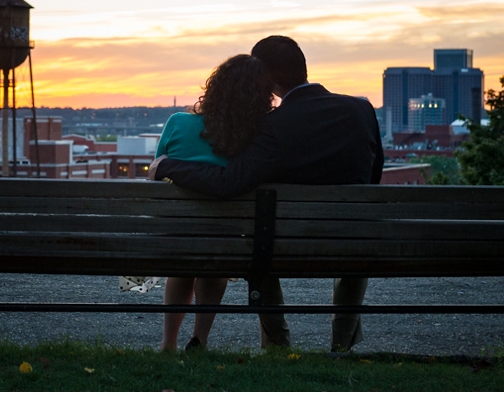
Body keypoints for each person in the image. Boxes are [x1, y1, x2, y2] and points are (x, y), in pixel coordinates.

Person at [151, 35, 384, 352]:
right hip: (352, 239)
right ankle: (341, 346)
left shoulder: (273, 125)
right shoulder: (361, 109)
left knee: (258, 245)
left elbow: (229, 183)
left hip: (283, 245)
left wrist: (168, 166)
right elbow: (374, 173)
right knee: (351, 245)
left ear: (268, 77)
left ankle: (278, 343)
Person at [153, 53, 275, 351]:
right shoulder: (257, 135)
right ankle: (201, 337)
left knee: (181, 266)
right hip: (227, 235)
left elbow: (156, 172)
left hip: (177, 234)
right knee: (215, 265)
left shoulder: (178, 122)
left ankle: (168, 342)